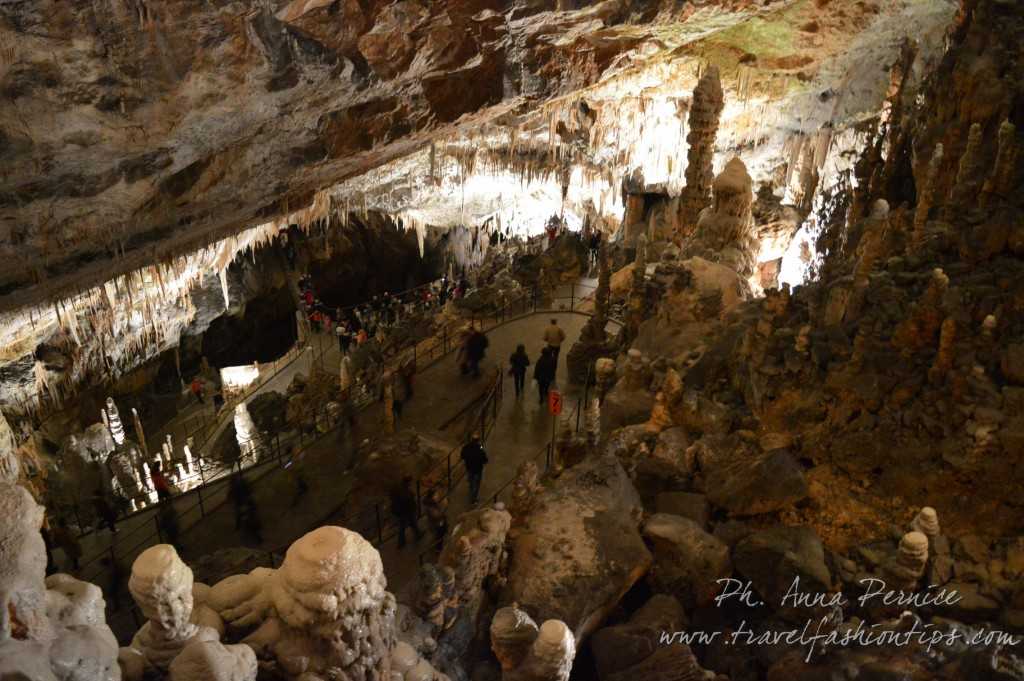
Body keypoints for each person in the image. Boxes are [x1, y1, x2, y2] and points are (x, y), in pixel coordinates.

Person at [390, 476, 422, 548]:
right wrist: (414, 506)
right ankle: (401, 542)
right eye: (410, 482)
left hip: (402, 511)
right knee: (404, 526)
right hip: (405, 511)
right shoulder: (404, 491)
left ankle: (417, 534)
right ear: (408, 482)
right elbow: (407, 500)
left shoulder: (401, 489)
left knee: (410, 523)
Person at [460, 435, 488, 504]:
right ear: (478, 440)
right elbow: (485, 460)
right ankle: (473, 499)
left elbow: (462, 456)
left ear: (471, 439)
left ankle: (470, 491)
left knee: (471, 482)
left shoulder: (466, 447)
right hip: (477, 470)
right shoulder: (480, 448)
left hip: (469, 468)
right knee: (476, 484)